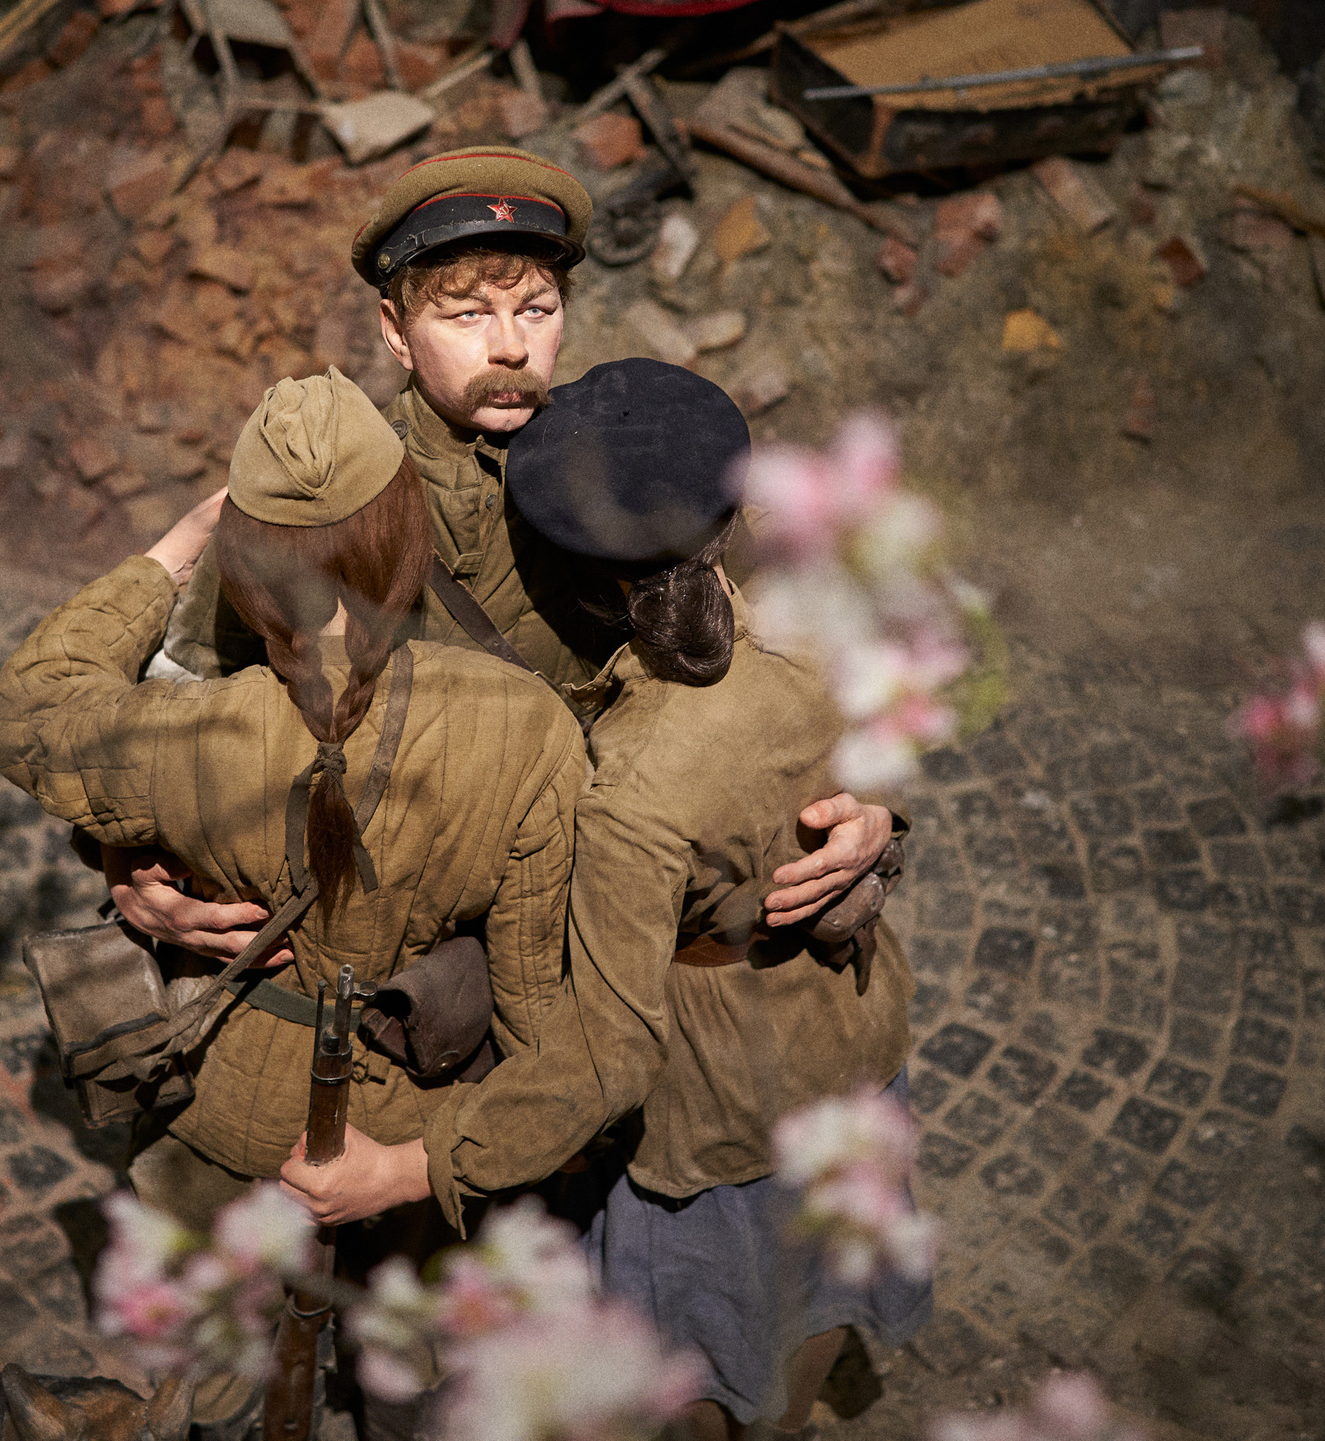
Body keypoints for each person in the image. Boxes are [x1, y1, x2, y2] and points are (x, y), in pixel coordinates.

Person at [277, 361, 929, 1441]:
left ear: (587, 585)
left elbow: (612, 1060)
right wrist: (877, 821)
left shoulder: (630, 785)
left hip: (721, 1119)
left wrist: (408, 1166)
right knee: (804, 1319)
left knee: (693, 1377)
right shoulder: (813, 623)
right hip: (854, 1041)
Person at [114, 145, 895, 972]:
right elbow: (171, 691)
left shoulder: (635, 455)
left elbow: (800, 665)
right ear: (396, 332)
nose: (513, 347)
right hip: (412, 945)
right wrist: (124, 857)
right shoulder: (320, 490)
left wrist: (874, 809)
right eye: (467, 316)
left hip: (622, 913)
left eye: (536, 308)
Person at [0, 370, 593, 1426]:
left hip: (224, 1103)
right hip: (413, 1113)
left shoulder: (196, 731)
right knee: (409, 1343)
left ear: (247, 575)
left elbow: (31, 710)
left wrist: (172, 548)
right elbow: (539, 1015)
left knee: (222, 1355)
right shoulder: (527, 726)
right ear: (406, 546)